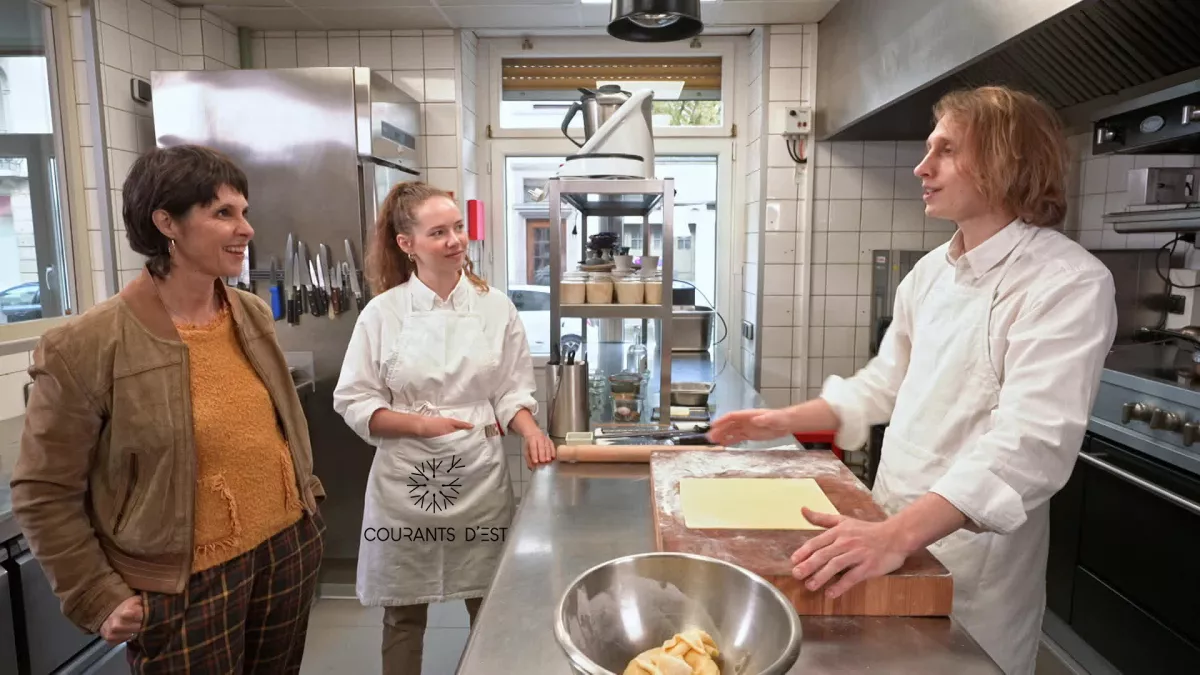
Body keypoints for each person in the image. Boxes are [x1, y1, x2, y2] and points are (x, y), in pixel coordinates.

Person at [707, 86, 1117, 675]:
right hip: (885, 527)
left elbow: (1032, 445)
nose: (922, 168)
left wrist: (899, 536)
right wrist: (777, 422)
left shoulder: (1067, 282)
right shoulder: (930, 273)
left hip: (971, 561)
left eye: (946, 151)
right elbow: (885, 384)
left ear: (1009, 161)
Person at [10, 145, 327, 674]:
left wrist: (309, 507)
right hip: (188, 583)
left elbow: (278, 428)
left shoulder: (248, 312)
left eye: (244, 212)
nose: (245, 228)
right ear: (167, 224)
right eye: (223, 213)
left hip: (285, 551)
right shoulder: (87, 344)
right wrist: (95, 592)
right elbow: (42, 489)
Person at [333, 181, 555, 675]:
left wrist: (532, 429)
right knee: (404, 614)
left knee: (488, 606)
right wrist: (419, 424)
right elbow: (353, 398)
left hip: (478, 478)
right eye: (439, 232)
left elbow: (510, 391)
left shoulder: (496, 307)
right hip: (405, 482)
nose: (456, 240)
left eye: (458, 228)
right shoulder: (382, 313)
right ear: (407, 244)